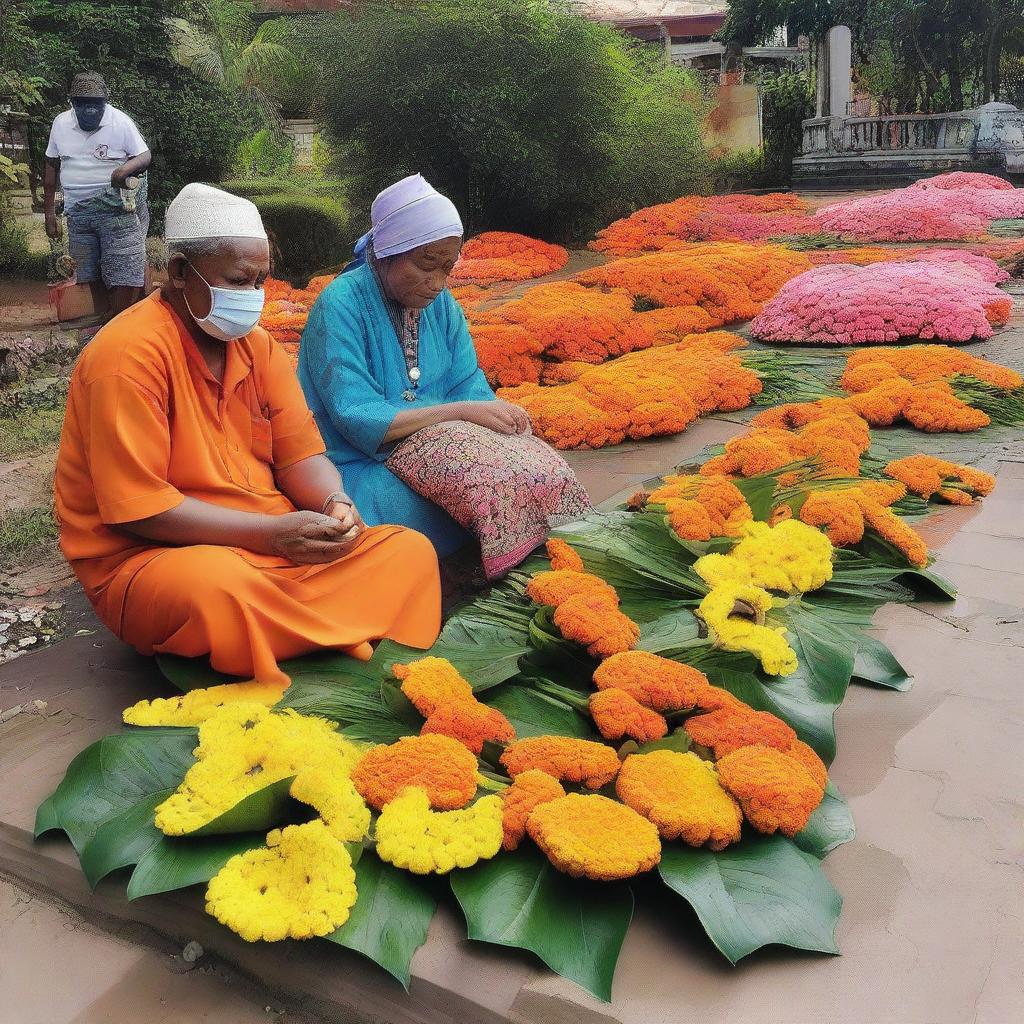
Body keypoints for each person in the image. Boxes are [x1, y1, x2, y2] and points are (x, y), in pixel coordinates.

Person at [54, 183, 441, 685]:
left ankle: (284, 640)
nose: (253, 297)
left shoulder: (257, 348)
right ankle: (332, 634)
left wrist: (333, 505)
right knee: (216, 590)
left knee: (408, 553)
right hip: (158, 560)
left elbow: (300, 457)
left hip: (272, 551)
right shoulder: (126, 358)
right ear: (177, 273)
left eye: (261, 281)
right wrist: (270, 535)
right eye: (238, 281)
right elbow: (141, 510)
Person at [299, 174, 591, 580]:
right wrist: (461, 414)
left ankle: (567, 558)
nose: (437, 283)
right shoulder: (340, 305)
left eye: (447, 268)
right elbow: (357, 417)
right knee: (479, 492)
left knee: (541, 468)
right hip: (360, 462)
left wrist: (494, 415)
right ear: (387, 254)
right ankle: (493, 571)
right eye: (426, 265)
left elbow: (466, 380)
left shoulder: (441, 303)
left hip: (440, 438)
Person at [43, 71, 151, 317]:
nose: (90, 110)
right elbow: (50, 164)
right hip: (77, 215)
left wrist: (122, 171)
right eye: (83, 104)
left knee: (125, 268)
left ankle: (120, 323)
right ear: (72, 103)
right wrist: (50, 215)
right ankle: (105, 320)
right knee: (87, 270)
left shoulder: (120, 122)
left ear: (105, 103)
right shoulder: (60, 123)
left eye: (96, 104)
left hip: (116, 212)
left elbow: (144, 156)